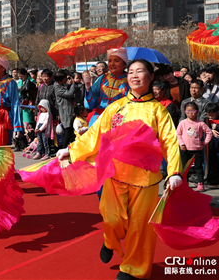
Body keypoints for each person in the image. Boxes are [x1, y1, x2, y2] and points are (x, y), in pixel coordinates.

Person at [56, 59, 183, 280]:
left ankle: (134, 270)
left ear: (151, 77)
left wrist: (174, 171)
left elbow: (170, 142)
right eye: (131, 72)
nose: (134, 76)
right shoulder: (116, 107)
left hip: (147, 178)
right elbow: (96, 134)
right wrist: (71, 150)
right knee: (112, 219)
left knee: (140, 227)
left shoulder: (158, 111)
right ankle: (110, 240)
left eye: (140, 71)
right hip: (115, 174)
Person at [84, 49, 129, 126]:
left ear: (124, 64)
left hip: (119, 123)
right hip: (98, 121)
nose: (112, 64)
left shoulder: (129, 80)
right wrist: (88, 87)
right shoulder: (103, 78)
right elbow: (90, 104)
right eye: (110, 61)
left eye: (116, 60)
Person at [177, 101, 212, 192]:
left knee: (198, 167)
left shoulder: (200, 123)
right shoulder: (182, 123)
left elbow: (209, 132)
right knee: (185, 168)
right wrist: (182, 144)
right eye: (188, 111)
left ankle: (200, 183)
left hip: (197, 149)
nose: (190, 113)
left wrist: (204, 142)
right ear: (184, 112)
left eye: (193, 111)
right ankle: (185, 183)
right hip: (185, 150)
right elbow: (178, 134)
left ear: (197, 111)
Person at [53, 70, 76, 148]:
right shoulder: (57, 87)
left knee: (70, 129)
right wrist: (72, 85)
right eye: (65, 79)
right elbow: (69, 94)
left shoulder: (61, 85)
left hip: (68, 110)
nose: (66, 80)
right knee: (68, 129)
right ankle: (63, 147)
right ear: (59, 80)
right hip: (65, 110)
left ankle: (65, 146)